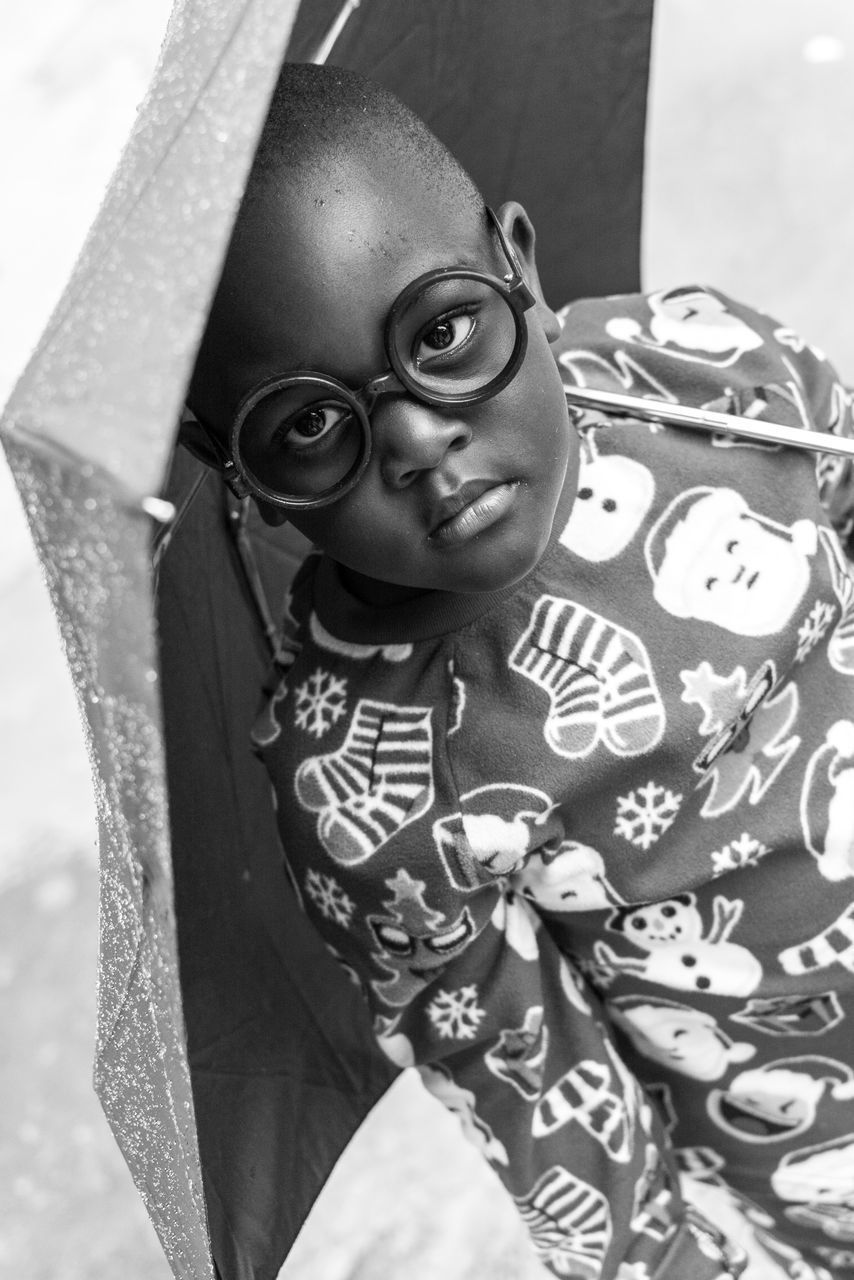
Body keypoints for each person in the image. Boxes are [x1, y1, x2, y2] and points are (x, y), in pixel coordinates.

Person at [180, 61, 854, 1280]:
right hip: (815, 1154)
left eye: (439, 334)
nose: (417, 435)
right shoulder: (359, 779)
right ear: (231, 462)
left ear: (519, 269)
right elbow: (546, 1109)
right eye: (309, 424)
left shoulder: (697, 373)